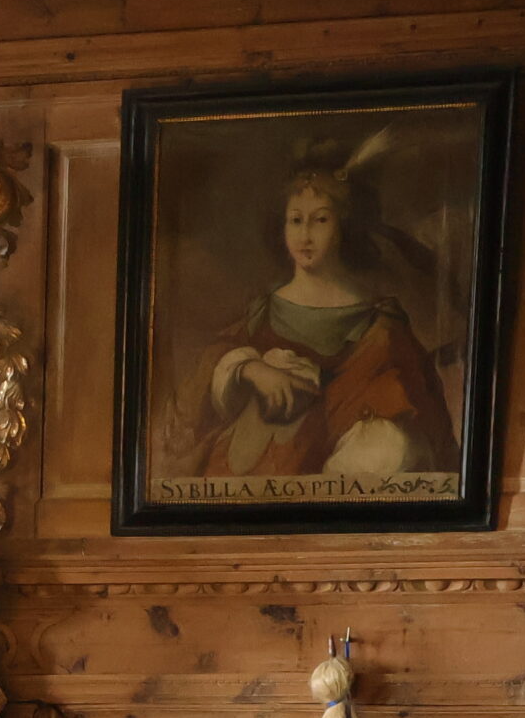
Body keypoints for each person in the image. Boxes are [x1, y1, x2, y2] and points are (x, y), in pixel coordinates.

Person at [168, 153, 460, 487]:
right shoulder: (262, 312)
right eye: (295, 220)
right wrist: (250, 370)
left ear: (343, 226)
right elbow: (206, 372)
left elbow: (411, 410)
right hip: (249, 479)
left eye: (320, 220)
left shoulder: (380, 326)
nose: (305, 235)